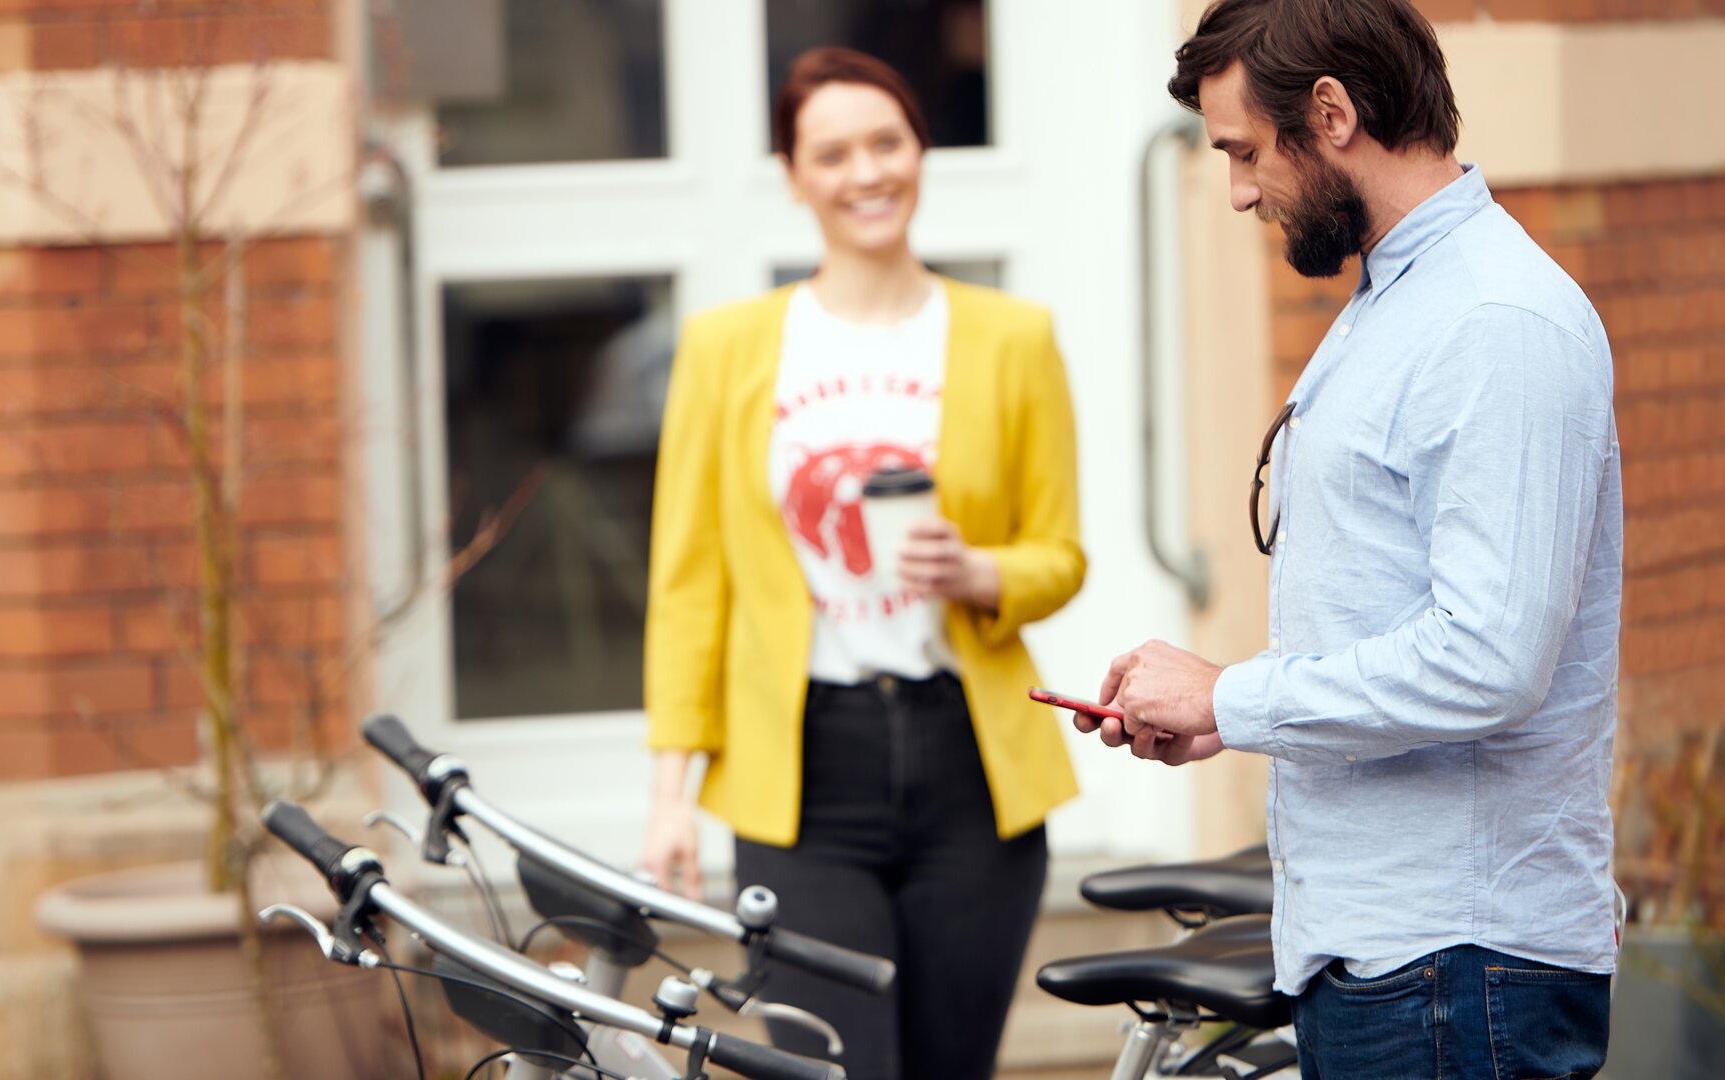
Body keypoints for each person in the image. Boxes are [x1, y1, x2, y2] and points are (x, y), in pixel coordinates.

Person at [1074, 2, 1622, 1078]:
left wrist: (1230, 697)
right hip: (1399, 961)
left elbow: (1488, 662)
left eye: (1243, 151)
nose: (1236, 189)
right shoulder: (1400, 300)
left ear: (1330, 113)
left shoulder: (1494, 324)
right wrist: (1220, 718)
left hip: (1459, 971)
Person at [641, 46, 1085, 1080]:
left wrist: (978, 572)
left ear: (921, 153)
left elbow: (1060, 556)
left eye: (886, 142)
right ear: (794, 177)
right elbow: (688, 585)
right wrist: (671, 794)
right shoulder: (727, 349)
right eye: (831, 153)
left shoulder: (1013, 340)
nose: (866, 172)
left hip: (970, 766)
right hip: (804, 773)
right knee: (833, 1071)